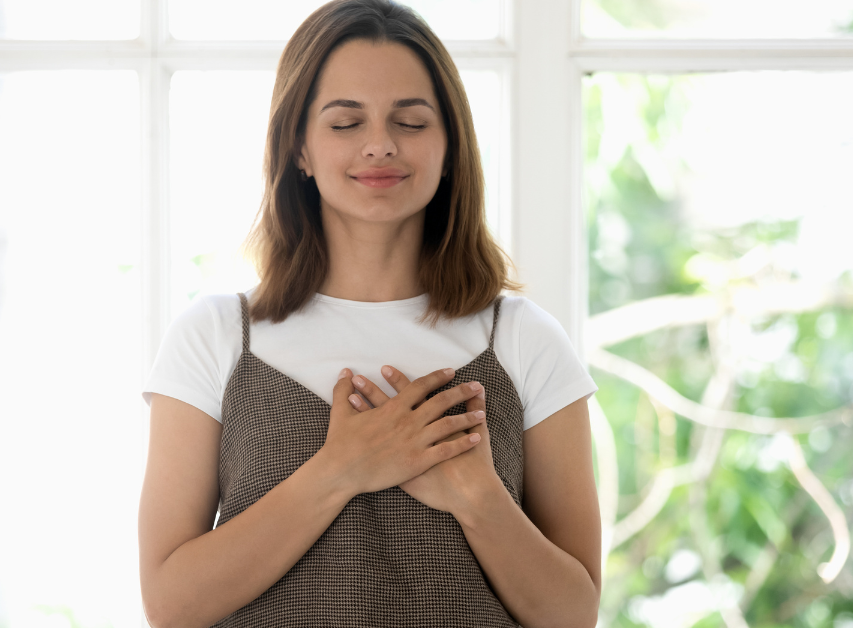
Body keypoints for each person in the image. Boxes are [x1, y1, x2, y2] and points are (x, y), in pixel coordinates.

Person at [137, 1, 602, 626]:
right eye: (344, 123)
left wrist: (478, 497)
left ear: (449, 147)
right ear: (299, 148)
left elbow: (573, 615)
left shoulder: (523, 341)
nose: (380, 145)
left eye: (410, 122)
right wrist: (340, 471)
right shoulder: (216, 336)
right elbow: (171, 606)